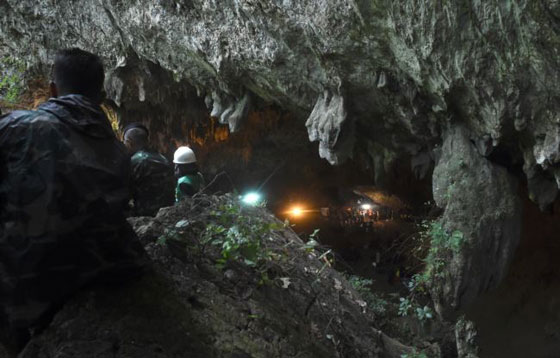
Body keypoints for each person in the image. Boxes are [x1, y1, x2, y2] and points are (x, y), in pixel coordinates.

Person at [0, 48, 148, 353]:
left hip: (20, 293)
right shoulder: (120, 155)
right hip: (85, 284)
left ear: (53, 90)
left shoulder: (16, 127)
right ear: (102, 95)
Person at [123, 123, 175, 216]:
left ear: (129, 142)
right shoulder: (162, 158)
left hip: (146, 214)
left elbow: (124, 192)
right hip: (169, 212)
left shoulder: (135, 161)